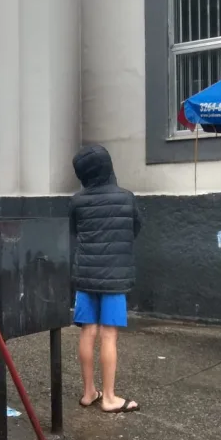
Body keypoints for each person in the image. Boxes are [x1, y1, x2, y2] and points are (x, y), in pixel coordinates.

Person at [70, 144, 141, 414]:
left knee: (88, 331)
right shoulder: (126, 197)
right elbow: (135, 227)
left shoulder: (76, 201)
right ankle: (109, 397)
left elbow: (73, 231)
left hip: (85, 274)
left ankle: (89, 392)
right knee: (109, 335)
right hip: (115, 277)